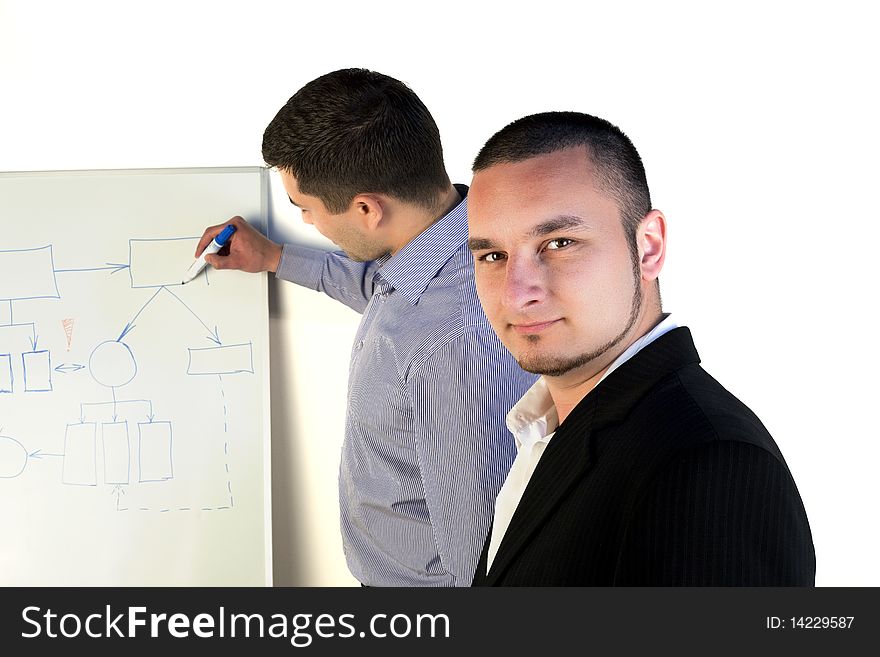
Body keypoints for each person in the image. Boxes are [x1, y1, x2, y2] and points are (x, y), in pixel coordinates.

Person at [195, 69, 536, 586]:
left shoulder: (448, 342)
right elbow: (383, 288)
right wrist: (275, 257)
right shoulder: (445, 256)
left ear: (365, 209)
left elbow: (483, 561)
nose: (308, 221)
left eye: (305, 209)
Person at [466, 111, 815, 586]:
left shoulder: (710, 464)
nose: (515, 292)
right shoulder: (545, 432)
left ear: (649, 247)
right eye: (493, 255)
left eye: (559, 242)